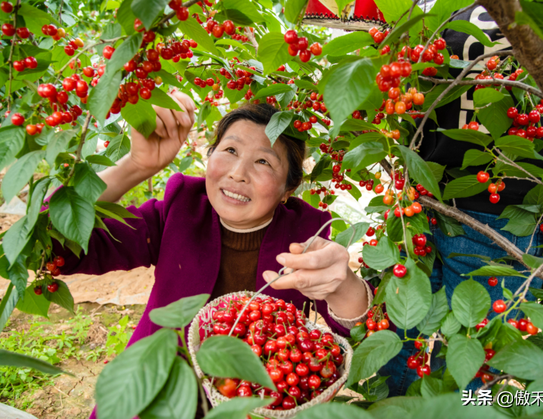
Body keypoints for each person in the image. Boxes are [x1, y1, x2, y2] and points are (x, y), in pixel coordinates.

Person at [50, 94, 372, 418]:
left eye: (264, 161)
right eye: (230, 150)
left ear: (288, 189)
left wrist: (344, 288)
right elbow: (57, 246)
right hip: (149, 396)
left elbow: (354, 332)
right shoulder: (177, 210)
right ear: (210, 156)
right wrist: (135, 166)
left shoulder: (305, 238)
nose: (237, 173)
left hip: (252, 404)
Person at [379, 4, 543, 396]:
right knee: (409, 336)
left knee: (466, 352)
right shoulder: (443, 12)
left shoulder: (458, 13)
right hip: (428, 201)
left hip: (503, 209)